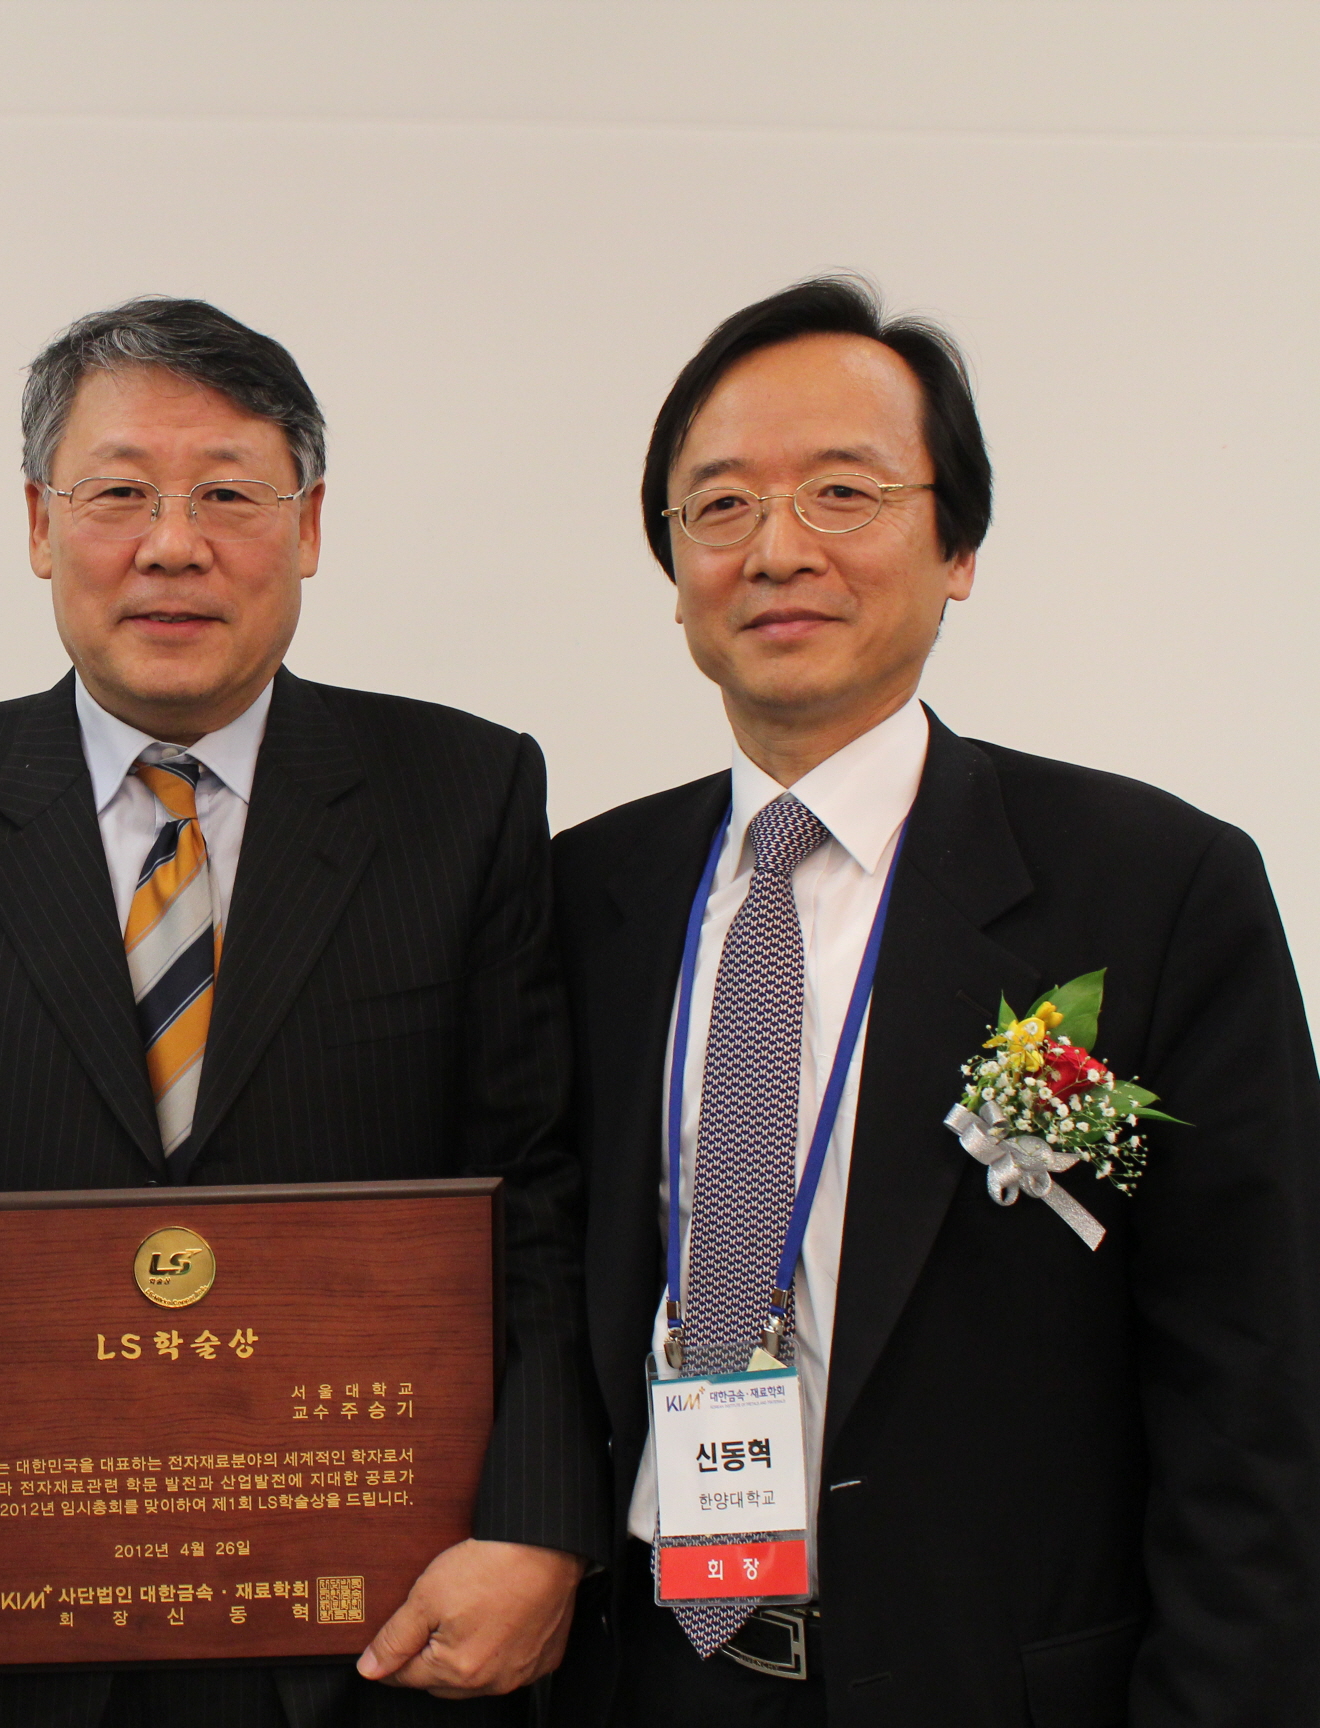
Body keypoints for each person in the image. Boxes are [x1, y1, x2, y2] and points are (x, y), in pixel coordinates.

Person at [0, 297, 610, 1726]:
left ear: (310, 526)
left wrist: (542, 1526)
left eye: (229, 494)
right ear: (39, 526)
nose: (173, 544)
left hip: (388, 1637)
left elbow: (533, 1188)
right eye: (119, 494)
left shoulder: (463, 796)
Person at [548, 277, 1320, 1726]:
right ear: (675, 565)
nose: (777, 548)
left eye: (844, 492)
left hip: (996, 1683)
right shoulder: (581, 896)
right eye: (720, 506)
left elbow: (1259, 1391)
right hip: (650, 1677)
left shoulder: (1154, 888)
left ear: (958, 546)